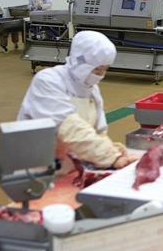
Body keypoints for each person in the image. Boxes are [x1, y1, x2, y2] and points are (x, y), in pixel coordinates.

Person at [17, 31, 135, 174]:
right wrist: (111, 157)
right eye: (97, 69)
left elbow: (98, 133)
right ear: (80, 62)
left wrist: (112, 149)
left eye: (104, 70)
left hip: (70, 170)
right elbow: (70, 127)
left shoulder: (92, 91)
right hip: (36, 171)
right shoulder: (48, 81)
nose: (99, 76)